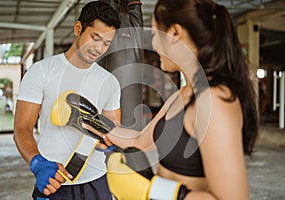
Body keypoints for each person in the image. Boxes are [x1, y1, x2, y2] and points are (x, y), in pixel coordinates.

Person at [83, 0, 259, 199]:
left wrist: (153, 191)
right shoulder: (182, 94)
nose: (153, 43)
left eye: (155, 33)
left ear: (174, 33)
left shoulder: (214, 101)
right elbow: (139, 140)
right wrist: (89, 120)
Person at [13, 1, 121, 199]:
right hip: (54, 179)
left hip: (97, 181)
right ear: (78, 28)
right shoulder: (42, 71)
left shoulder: (110, 81)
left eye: (106, 43)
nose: (99, 49)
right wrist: (37, 163)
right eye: (95, 38)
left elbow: (113, 125)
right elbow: (22, 128)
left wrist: (110, 139)